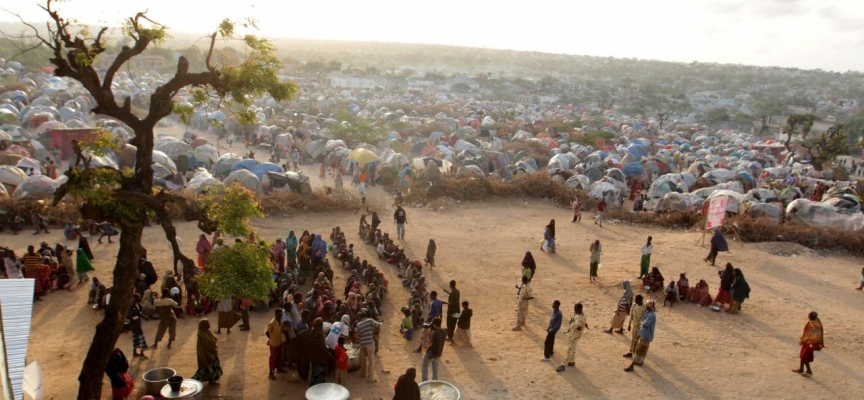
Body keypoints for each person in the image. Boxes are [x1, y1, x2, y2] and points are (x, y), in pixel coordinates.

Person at [625, 300, 656, 371]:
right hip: (643, 333)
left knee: (639, 350)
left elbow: (645, 324)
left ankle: (632, 365)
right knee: (641, 349)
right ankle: (639, 362)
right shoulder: (649, 313)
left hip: (645, 335)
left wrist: (642, 323)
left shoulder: (652, 315)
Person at [793, 311, 824, 376]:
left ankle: (809, 370)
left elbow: (816, 335)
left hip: (809, 343)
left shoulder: (814, 325)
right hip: (806, 342)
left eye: (809, 316)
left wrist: (810, 340)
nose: (808, 316)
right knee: (802, 355)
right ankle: (801, 369)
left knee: (805, 356)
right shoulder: (815, 322)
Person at [192, 318, 223, 383]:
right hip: (207, 355)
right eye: (207, 323)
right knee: (206, 369)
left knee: (213, 367)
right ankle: (194, 382)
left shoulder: (206, 331)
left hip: (212, 354)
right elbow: (208, 344)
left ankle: (212, 379)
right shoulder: (202, 335)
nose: (209, 324)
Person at [560, 302, 588, 371]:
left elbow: (577, 326)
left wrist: (573, 326)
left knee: (570, 348)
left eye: (575, 309)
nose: (574, 310)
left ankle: (565, 362)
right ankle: (571, 361)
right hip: (573, 333)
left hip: (575, 335)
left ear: (579, 309)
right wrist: (569, 329)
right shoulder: (577, 314)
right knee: (572, 347)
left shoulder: (581, 317)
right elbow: (573, 322)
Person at [357, 311, 382, 383]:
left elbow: (359, 335)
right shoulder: (370, 320)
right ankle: (370, 378)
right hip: (370, 344)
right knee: (371, 361)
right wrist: (381, 323)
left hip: (362, 344)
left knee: (363, 360)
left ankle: (363, 373)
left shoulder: (358, 324)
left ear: (360, 317)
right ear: (366, 316)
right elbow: (377, 325)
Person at [422, 317, 446, 381]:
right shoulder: (444, 331)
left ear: (434, 324)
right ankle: (435, 382)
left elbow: (430, 344)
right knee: (435, 368)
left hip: (431, 353)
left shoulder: (435, 333)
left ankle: (425, 382)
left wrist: (428, 338)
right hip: (438, 353)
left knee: (425, 366)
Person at [127, 293, 148, 358]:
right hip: (135, 324)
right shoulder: (132, 307)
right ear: (135, 299)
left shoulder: (136, 304)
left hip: (136, 323)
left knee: (135, 338)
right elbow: (130, 316)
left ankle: (135, 352)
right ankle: (141, 353)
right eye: (138, 298)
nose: (140, 299)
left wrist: (144, 317)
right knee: (141, 337)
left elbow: (139, 313)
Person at [266, 309, 285, 380]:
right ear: (276, 315)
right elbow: (267, 333)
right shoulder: (272, 323)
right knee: (273, 357)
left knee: (279, 356)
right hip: (274, 343)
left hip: (279, 341)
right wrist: (270, 339)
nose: (280, 316)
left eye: (281, 315)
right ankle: (270, 373)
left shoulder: (280, 321)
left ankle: (279, 368)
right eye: (279, 315)